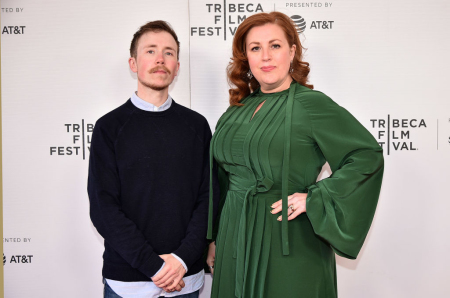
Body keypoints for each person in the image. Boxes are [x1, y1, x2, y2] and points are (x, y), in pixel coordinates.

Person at [206, 11, 384, 298]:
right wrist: (213, 238)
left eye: (274, 46)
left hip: (289, 240)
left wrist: (316, 197)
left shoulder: (312, 105)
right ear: (246, 58)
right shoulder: (235, 111)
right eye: (255, 48)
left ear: (291, 52)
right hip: (234, 240)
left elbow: (366, 155)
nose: (265, 56)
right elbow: (220, 181)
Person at [88, 20, 217, 298]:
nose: (160, 59)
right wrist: (156, 268)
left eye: (169, 52)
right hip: (127, 283)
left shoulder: (197, 126)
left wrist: (180, 260)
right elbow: (104, 209)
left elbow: (208, 200)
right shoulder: (108, 128)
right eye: (150, 51)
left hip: (185, 279)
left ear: (177, 66)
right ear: (133, 63)